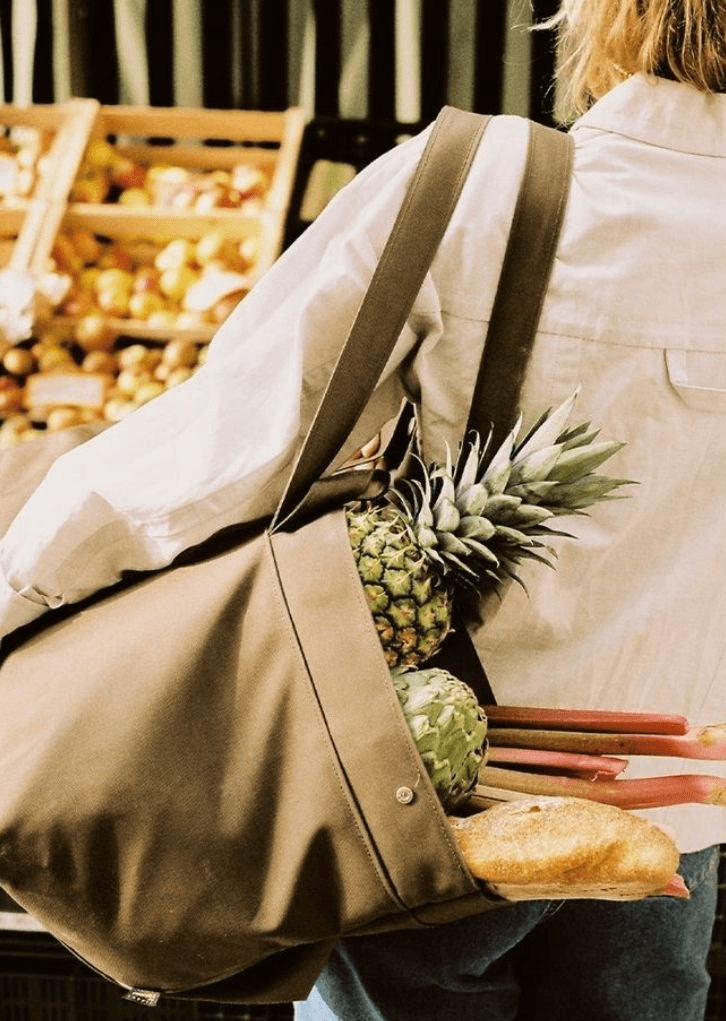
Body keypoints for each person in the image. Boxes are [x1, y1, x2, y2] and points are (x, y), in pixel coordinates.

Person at [0, 0, 724, 1017]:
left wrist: (17, 597)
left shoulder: (483, 184)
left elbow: (214, 456)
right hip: (671, 831)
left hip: (420, 816)